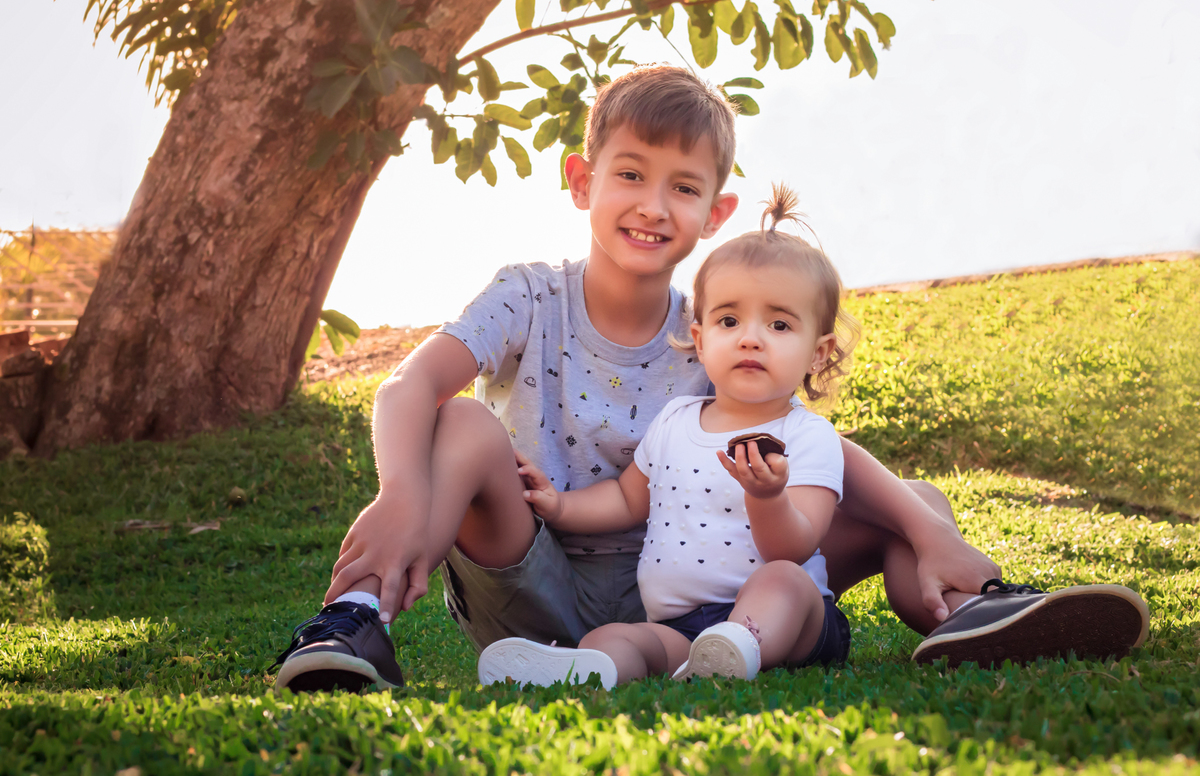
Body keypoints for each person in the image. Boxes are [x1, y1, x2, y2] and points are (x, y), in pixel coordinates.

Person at [270, 65, 1148, 694]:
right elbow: (403, 390)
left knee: (906, 504)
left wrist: (925, 527)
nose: (653, 205)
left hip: (693, 582)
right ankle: (356, 621)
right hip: (535, 579)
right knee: (458, 426)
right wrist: (394, 494)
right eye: (630, 175)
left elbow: (819, 448)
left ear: (715, 211)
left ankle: (964, 607)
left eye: (682, 187)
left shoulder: (718, 325)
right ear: (582, 181)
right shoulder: (528, 296)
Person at [477, 185, 857, 688]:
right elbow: (626, 498)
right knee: (621, 635)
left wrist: (767, 496)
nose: (750, 337)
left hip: (792, 618)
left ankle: (741, 647)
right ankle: (584, 668)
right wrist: (560, 506)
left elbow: (794, 547)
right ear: (699, 340)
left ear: (818, 351)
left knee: (781, 582)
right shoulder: (676, 419)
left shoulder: (807, 436)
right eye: (728, 319)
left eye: (781, 325)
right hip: (679, 625)